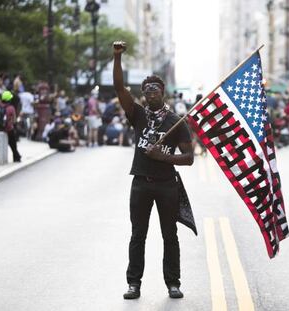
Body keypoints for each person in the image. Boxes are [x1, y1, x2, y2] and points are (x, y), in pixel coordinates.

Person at [112, 41, 194, 300]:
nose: (150, 91)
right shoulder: (137, 115)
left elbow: (190, 158)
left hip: (167, 184)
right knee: (138, 235)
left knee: (170, 235)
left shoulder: (176, 122)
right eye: (146, 88)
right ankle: (134, 283)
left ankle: (173, 283)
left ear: (163, 92)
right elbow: (119, 88)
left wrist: (164, 157)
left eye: (155, 88)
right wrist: (117, 58)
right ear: (143, 93)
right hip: (141, 183)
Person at [0, 91, 21, 162]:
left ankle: (17, 155)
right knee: (13, 142)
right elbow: (14, 120)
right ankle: (16, 157)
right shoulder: (11, 108)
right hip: (8, 129)